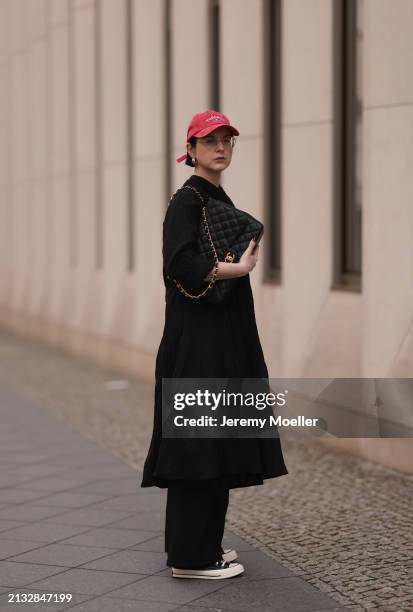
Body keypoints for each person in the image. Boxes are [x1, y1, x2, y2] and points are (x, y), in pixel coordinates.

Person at [140, 109, 288, 580]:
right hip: (198, 344)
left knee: (212, 443)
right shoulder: (188, 200)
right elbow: (178, 264)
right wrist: (236, 270)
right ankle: (190, 557)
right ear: (192, 150)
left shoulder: (212, 196)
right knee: (198, 445)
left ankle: (202, 548)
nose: (221, 148)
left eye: (227, 140)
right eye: (210, 141)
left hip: (216, 340)